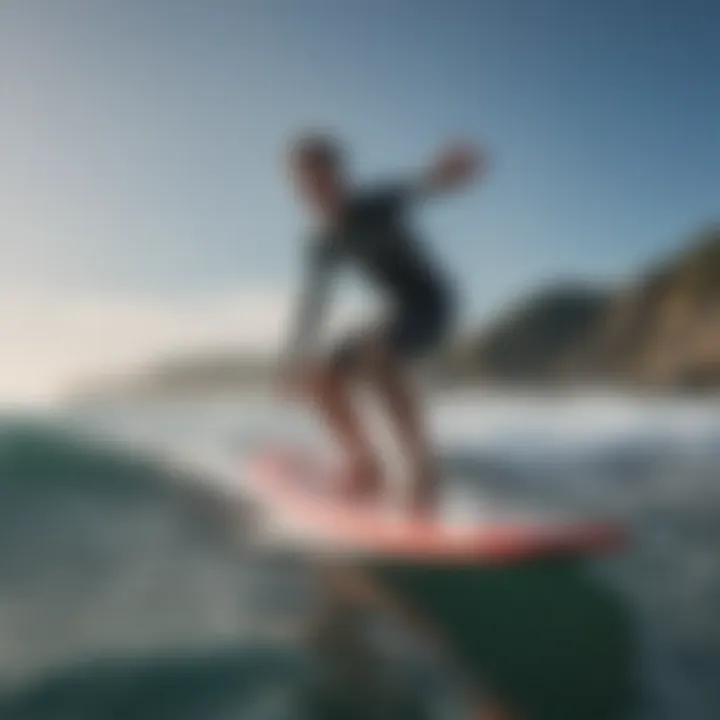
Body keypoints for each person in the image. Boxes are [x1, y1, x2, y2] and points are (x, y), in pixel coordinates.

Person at [278, 132, 484, 515]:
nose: (319, 191)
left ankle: (424, 470)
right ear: (299, 190)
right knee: (320, 374)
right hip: (395, 314)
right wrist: (291, 364)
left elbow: (419, 187)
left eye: (324, 179)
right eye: (308, 185)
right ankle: (366, 464)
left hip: (432, 305)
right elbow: (311, 307)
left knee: (378, 353)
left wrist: (446, 175)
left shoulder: (374, 205)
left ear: (340, 177)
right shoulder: (322, 243)